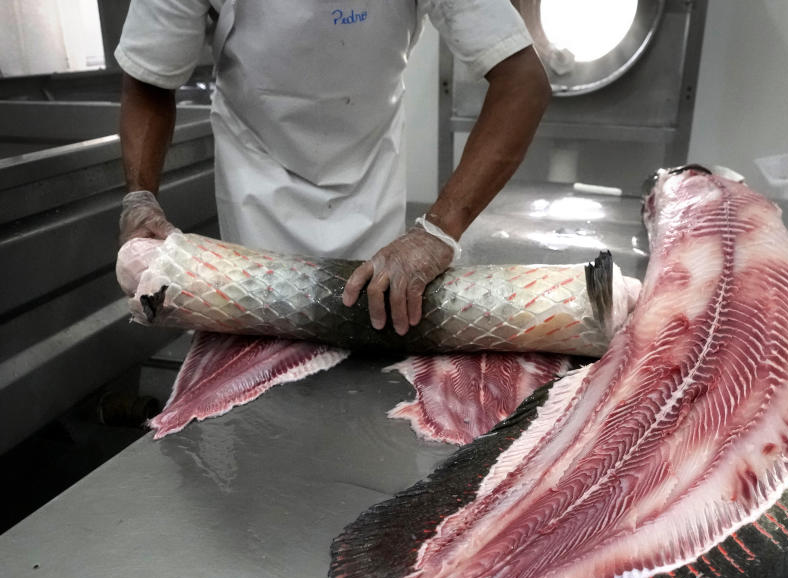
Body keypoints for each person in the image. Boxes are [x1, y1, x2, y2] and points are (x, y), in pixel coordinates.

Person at [115, 0, 550, 336]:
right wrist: (141, 197)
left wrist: (438, 232)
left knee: (375, 331)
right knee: (259, 346)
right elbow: (150, 77)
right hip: (256, 169)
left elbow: (523, 80)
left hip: (369, 169)